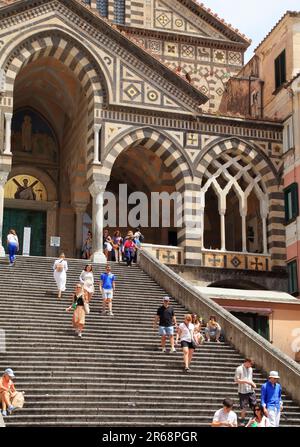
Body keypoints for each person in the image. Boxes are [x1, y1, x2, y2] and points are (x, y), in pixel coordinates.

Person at [235, 358, 257, 423]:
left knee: (254, 405)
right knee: (244, 407)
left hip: (251, 390)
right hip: (242, 391)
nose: (251, 366)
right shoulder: (239, 369)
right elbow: (237, 380)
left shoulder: (250, 369)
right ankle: (243, 420)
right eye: (250, 364)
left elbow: (250, 379)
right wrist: (247, 382)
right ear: (247, 362)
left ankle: (256, 418)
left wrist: (253, 383)